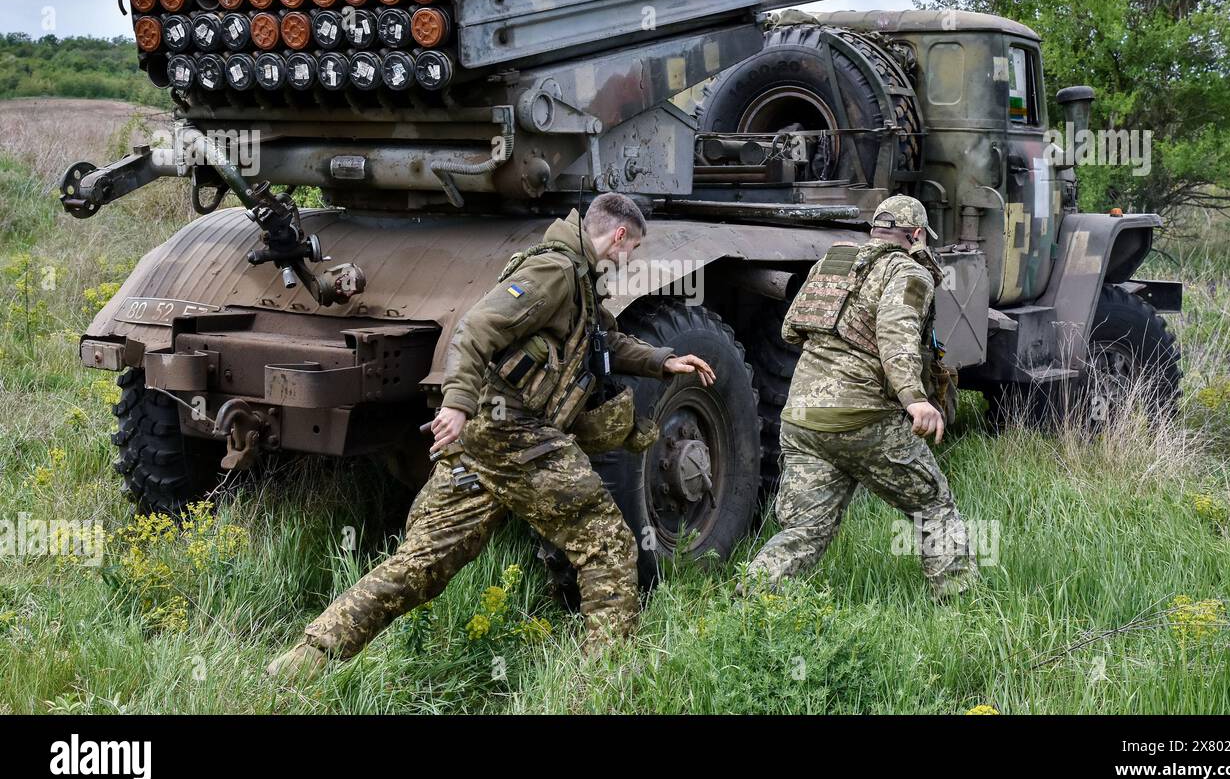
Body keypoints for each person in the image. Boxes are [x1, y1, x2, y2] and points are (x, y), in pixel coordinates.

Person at [269, 192, 715, 678]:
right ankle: (607, 681)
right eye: (632, 249)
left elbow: (603, 342)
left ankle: (303, 662)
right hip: (516, 436)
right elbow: (475, 329)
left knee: (420, 565)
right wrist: (457, 406)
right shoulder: (555, 274)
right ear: (620, 235)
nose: (629, 259)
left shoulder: (581, 280)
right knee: (607, 543)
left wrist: (661, 360)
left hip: (485, 444)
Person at [745, 195, 978, 597]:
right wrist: (914, 399)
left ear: (877, 230)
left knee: (804, 531)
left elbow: (790, 330)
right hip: (863, 418)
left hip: (802, 417)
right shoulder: (909, 273)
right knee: (934, 507)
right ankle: (962, 603)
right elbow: (897, 334)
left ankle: (750, 605)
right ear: (917, 234)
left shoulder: (833, 262)